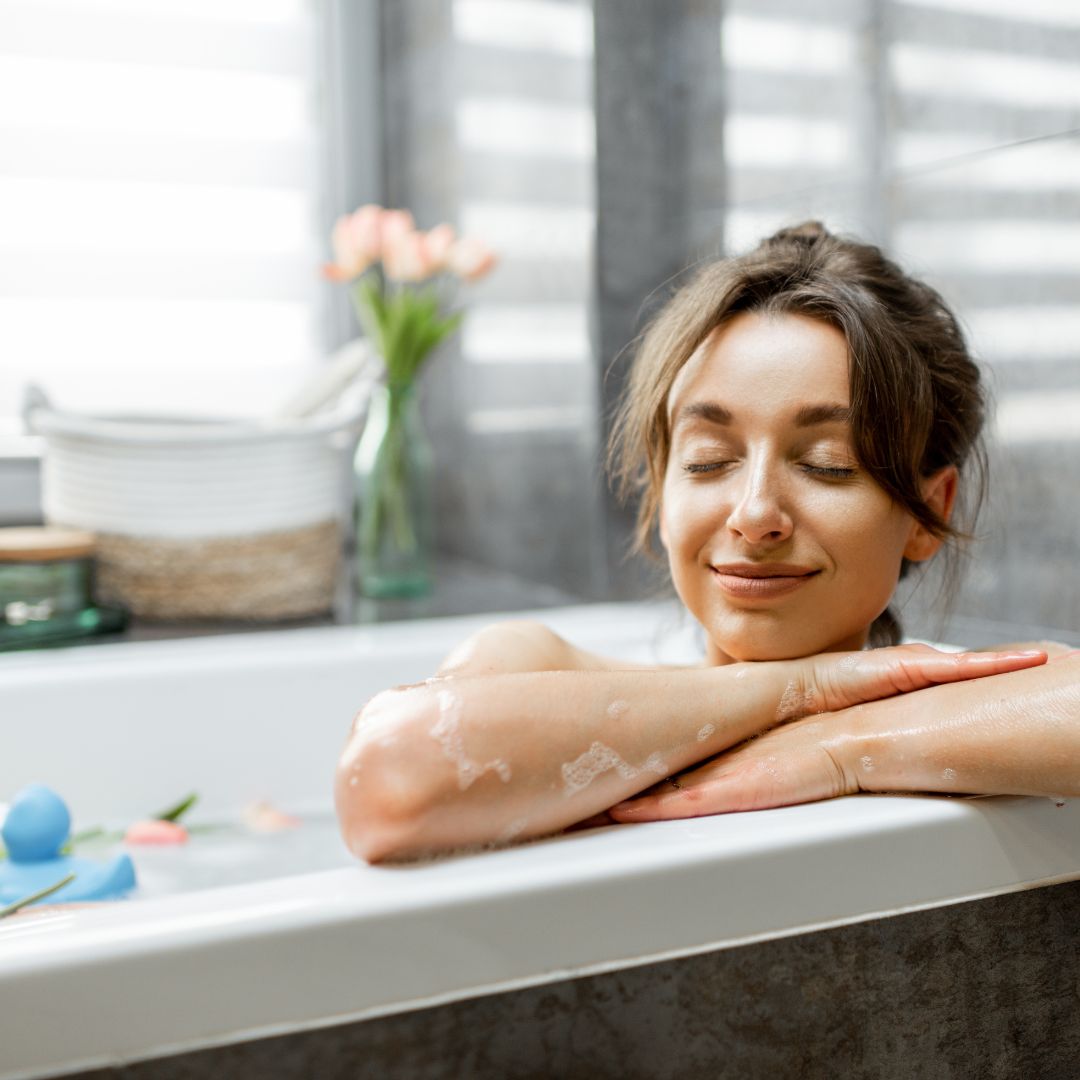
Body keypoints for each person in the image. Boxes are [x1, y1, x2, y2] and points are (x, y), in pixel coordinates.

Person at [335, 222, 1071, 864]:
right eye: (707, 461)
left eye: (826, 465)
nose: (754, 514)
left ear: (926, 515)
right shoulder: (541, 666)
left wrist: (838, 748)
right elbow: (388, 779)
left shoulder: (961, 701)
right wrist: (799, 691)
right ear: (661, 492)